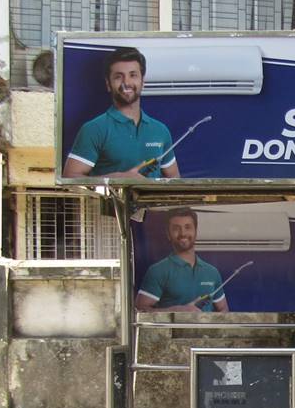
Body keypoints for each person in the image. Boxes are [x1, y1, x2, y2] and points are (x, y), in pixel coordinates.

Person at [63, 47, 181, 180]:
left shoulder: (160, 130)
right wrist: (117, 179)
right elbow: (70, 177)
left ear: (143, 82)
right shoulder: (94, 129)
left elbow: (174, 178)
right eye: (118, 77)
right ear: (108, 84)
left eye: (133, 75)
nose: (126, 83)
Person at [134, 209, 229, 312]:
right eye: (176, 228)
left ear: (196, 231)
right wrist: (179, 311)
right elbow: (141, 309)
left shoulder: (212, 272)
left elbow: (223, 309)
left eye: (187, 227)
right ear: (168, 234)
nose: (183, 233)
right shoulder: (157, 271)